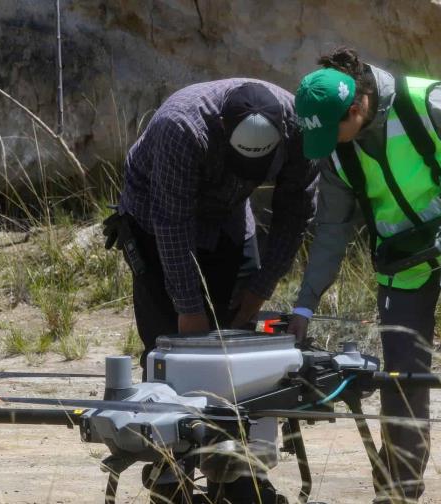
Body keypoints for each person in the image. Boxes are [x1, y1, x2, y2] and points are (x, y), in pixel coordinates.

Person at [287, 47, 441, 503]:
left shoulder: (428, 101)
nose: (331, 144)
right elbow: (330, 232)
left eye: (334, 131)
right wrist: (305, 302)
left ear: (357, 107)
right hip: (402, 263)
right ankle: (399, 491)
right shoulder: (339, 155)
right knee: (401, 382)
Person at [109, 78, 319, 503]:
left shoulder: (298, 127)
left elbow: (295, 213)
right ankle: (171, 474)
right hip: (156, 220)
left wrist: (260, 288)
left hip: (227, 218)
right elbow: (172, 223)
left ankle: (239, 471)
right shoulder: (180, 127)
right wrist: (188, 307)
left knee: (241, 350)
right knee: (173, 350)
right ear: (223, 129)